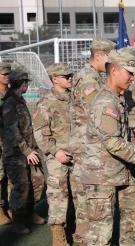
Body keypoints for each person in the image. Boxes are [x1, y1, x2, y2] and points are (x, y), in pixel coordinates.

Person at [80, 47, 135, 245]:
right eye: (129, 72)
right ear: (114, 70)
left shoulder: (117, 99)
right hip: (102, 175)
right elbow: (112, 142)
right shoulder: (106, 101)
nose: (132, 77)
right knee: (101, 235)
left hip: (121, 171)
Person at [70, 37, 116, 243]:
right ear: (98, 55)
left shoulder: (93, 76)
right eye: (109, 58)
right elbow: (97, 110)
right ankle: (81, 239)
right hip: (86, 149)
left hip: (90, 147)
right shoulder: (88, 79)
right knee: (87, 203)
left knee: (91, 203)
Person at [1, 67, 45, 234]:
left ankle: (30, 212)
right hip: (15, 153)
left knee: (37, 182)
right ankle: (19, 220)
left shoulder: (19, 99)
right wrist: (27, 151)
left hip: (28, 151)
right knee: (21, 186)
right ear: (22, 83)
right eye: (26, 82)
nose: (27, 85)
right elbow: (12, 131)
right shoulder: (9, 102)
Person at [33, 63, 74, 245]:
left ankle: (76, 229)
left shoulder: (75, 99)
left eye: (71, 75)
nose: (70, 78)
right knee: (58, 195)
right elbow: (41, 131)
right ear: (55, 78)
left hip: (77, 154)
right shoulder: (47, 101)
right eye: (66, 76)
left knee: (78, 195)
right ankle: (58, 234)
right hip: (58, 157)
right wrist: (56, 151)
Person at [0, 62, 11, 225]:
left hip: (12, 140)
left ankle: (11, 207)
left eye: (9, 73)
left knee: (13, 175)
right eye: (4, 74)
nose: (8, 76)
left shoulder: (11, 94)